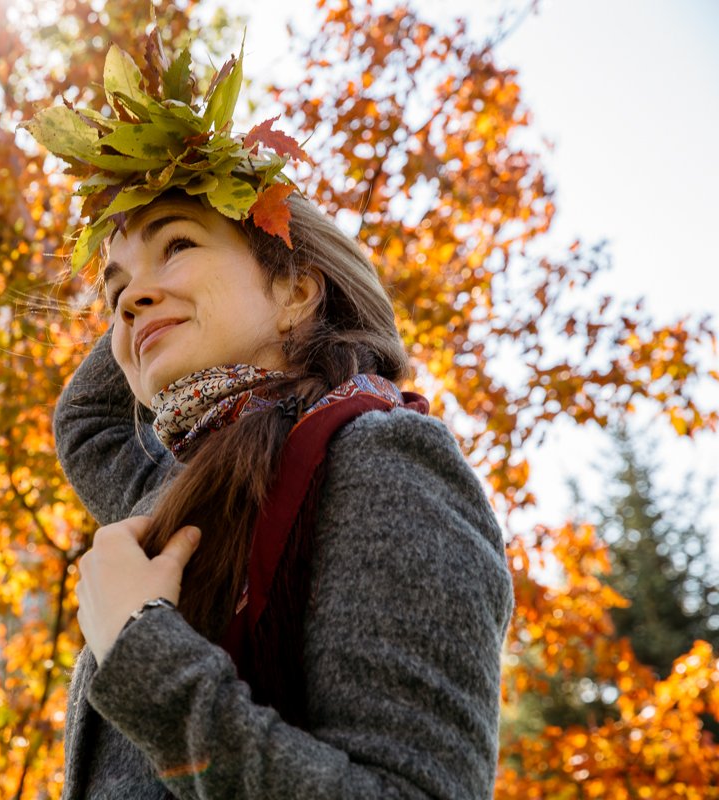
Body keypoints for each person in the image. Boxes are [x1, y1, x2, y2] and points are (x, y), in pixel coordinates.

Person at [33, 35, 514, 800]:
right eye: (114, 290)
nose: (125, 300)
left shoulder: (377, 461)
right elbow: (85, 420)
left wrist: (139, 653)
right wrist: (158, 271)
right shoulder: (179, 481)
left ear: (297, 290)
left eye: (180, 244)